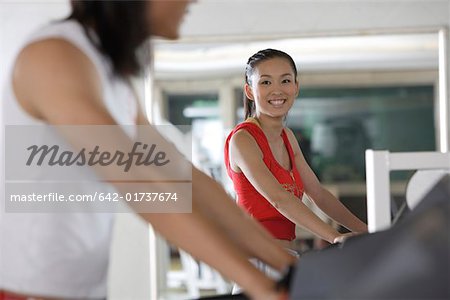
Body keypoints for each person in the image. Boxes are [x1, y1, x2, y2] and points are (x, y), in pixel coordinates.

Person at [0, 2, 296, 300]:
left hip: (80, 288)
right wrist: (259, 284)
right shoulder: (54, 56)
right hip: (22, 292)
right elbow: (142, 186)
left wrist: (286, 267)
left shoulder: (113, 80)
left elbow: (185, 179)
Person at [225, 49, 368, 253]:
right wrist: (334, 236)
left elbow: (317, 193)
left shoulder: (287, 137)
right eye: (265, 82)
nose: (277, 90)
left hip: (285, 255)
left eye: (285, 81)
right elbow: (279, 198)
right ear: (249, 91)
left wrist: (367, 232)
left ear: (296, 87)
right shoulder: (243, 139)